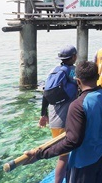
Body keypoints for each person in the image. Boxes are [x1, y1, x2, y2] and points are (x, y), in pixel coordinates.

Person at [23, 61, 102, 183]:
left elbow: (72, 141)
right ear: (98, 77)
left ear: (78, 81)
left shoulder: (77, 106)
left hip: (84, 163)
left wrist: (40, 154)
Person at [39, 45, 78, 183]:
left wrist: (43, 115)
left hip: (54, 121)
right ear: (73, 57)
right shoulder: (72, 71)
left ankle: (69, 179)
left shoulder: (53, 71)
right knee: (64, 156)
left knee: (65, 154)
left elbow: (45, 94)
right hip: (65, 121)